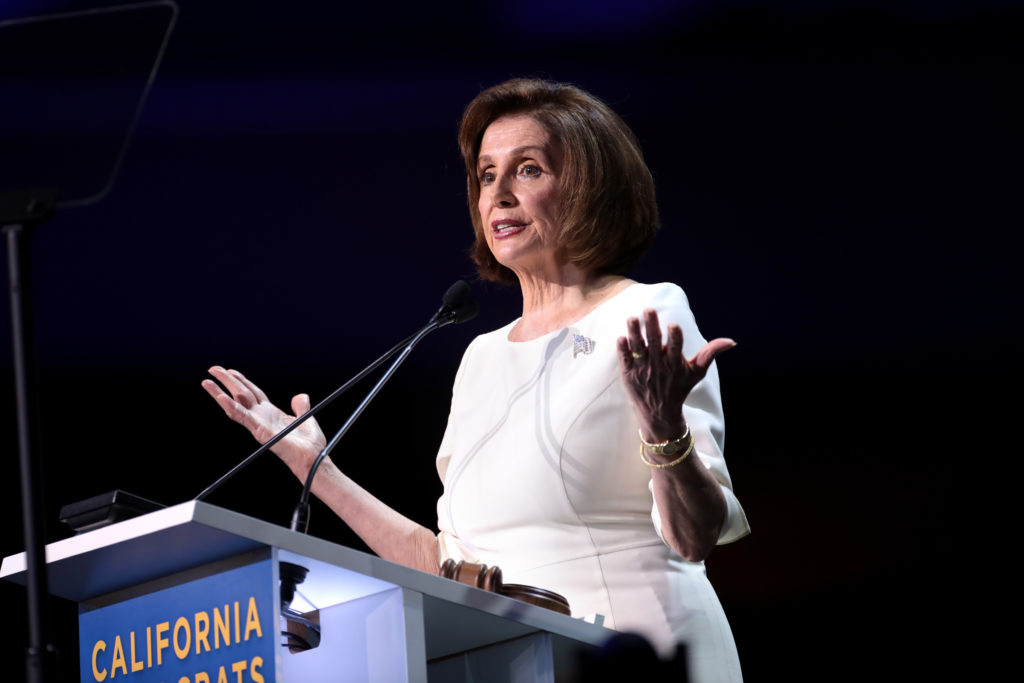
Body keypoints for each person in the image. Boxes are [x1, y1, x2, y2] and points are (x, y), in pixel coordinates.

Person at [202, 77, 750, 682]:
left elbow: (694, 537)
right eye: (488, 175)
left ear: (589, 190)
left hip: (636, 657)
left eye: (529, 169)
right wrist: (316, 470)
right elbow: (445, 564)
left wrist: (663, 426)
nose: (500, 196)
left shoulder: (644, 314)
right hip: (515, 664)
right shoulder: (481, 357)